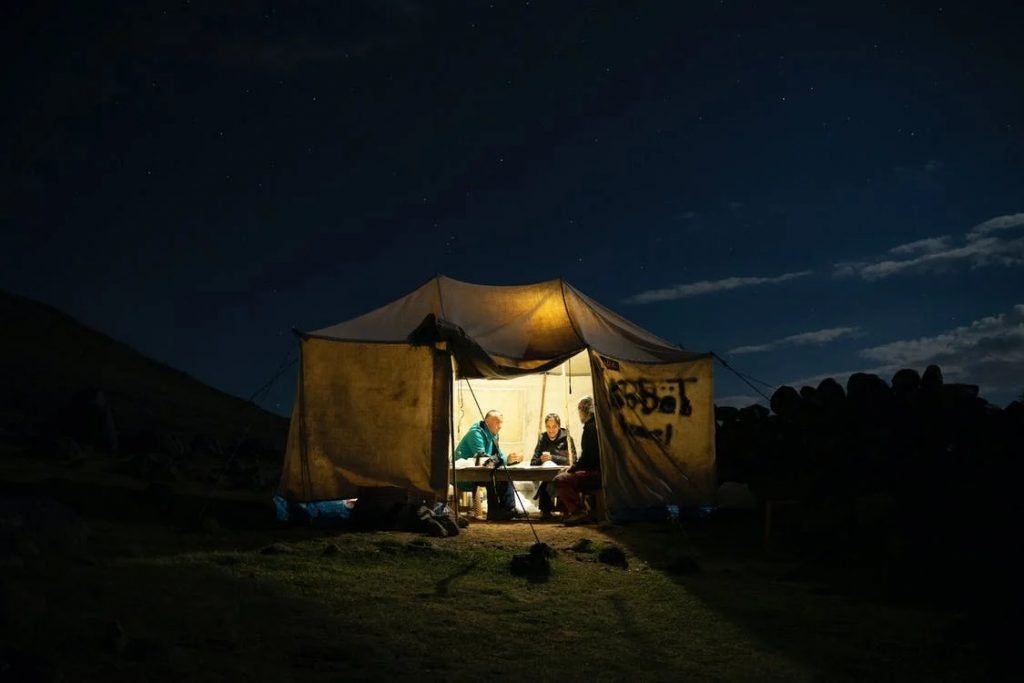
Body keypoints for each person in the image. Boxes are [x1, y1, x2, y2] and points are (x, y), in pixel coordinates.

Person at [454, 410, 523, 521]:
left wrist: (513, 459)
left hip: (480, 471)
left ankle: (508, 509)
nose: (500, 426)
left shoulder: (494, 435)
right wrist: (506, 459)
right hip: (463, 474)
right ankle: (494, 513)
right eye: (497, 422)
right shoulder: (475, 434)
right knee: (492, 474)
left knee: (504, 472)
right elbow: (483, 459)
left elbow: (499, 455)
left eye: (501, 422)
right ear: (487, 422)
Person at [555, 396, 602, 526]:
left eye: (579, 410)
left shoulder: (591, 428)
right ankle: (569, 511)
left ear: (584, 411)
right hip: (597, 469)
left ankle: (578, 511)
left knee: (561, 479)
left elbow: (588, 457)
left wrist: (573, 468)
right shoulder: (596, 425)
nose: (579, 414)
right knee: (563, 474)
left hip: (596, 473)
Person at [530, 413, 576, 519]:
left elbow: (573, 460)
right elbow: (533, 461)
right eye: (548, 427)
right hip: (546, 474)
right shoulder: (543, 438)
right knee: (546, 475)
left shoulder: (567, 438)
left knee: (562, 478)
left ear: (559, 426)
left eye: (554, 426)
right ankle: (545, 510)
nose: (551, 430)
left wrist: (553, 458)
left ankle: (564, 509)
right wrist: (541, 460)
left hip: (562, 472)